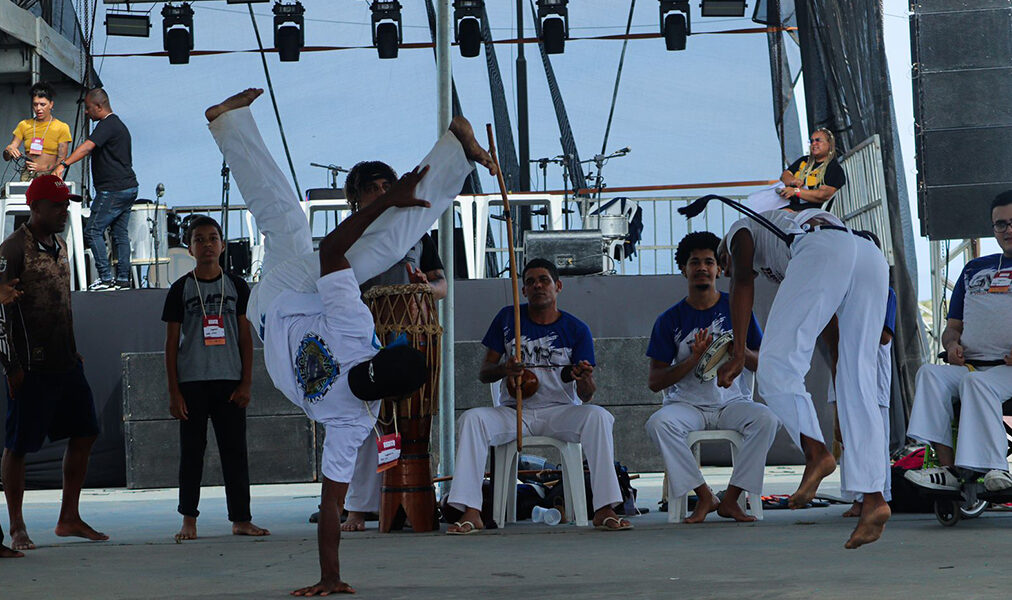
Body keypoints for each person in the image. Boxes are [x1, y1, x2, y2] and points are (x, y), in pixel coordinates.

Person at [204, 88, 492, 596]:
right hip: (290, 302)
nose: (362, 371)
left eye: (366, 374)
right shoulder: (354, 375)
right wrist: (329, 577)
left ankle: (452, 157)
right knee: (289, 221)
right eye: (370, 368)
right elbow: (332, 506)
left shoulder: (352, 382)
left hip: (276, 309)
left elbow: (332, 503)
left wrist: (389, 203)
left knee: (358, 237)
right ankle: (230, 124)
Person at [717, 206, 889, 549]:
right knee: (859, 382)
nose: (725, 270)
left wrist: (739, 350)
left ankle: (816, 454)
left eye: (722, 264)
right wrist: (841, 398)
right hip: (869, 255)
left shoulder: (739, 230)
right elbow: (831, 331)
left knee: (775, 364)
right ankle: (873, 500)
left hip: (823, 247)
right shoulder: (791, 259)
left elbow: (741, 281)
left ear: (724, 251)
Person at [444, 258, 632, 534]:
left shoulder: (577, 329)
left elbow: (587, 396)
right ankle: (471, 511)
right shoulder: (509, 319)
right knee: (473, 419)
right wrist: (504, 369)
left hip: (560, 411)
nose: (537, 286)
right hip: (514, 412)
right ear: (523, 290)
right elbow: (484, 373)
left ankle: (605, 508)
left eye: (543, 280)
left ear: (558, 286)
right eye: (530, 281)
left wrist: (585, 378)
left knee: (599, 417)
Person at [0, 175, 109, 552]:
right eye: (58, 205)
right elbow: (0, 311)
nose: (64, 211)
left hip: (66, 362)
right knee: (19, 446)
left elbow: (63, 302)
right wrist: (11, 365)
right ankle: (17, 527)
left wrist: (74, 347)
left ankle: (69, 517)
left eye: (66, 204)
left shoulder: (60, 244)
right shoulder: (12, 250)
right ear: (36, 208)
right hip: (30, 367)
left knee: (86, 432)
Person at [338, 160, 448, 532]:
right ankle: (357, 507)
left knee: (409, 418)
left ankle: (407, 498)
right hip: (363, 334)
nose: (383, 193)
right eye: (373, 188)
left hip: (413, 331)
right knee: (367, 417)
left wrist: (422, 288)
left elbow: (442, 287)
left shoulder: (415, 231)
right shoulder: (351, 234)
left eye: (388, 185)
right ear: (356, 197)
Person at [645, 232, 778, 523]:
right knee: (659, 424)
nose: (702, 267)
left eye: (709, 262)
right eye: (695, 262)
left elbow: (761, 364)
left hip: (731, 403)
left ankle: (732, 498)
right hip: (687, 406)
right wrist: (693, 360)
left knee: (766, 419)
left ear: (719, 269)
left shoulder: (738, 309)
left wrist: (736, 349)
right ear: (684, 269)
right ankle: (704, 494)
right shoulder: (670, 320)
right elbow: (655, 381)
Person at [162, 215, 269, 542]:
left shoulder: (236, 285)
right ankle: (188, 520)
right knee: (192, 452)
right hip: (192, 382)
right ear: (190, 247)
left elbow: (246, 338)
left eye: (212, 238)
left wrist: (246, 382)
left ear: (222, 245)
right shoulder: (180, 288)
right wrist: (174, 392)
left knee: (234, 451)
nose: (206, 245)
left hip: (229, 381)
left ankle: (241, 519)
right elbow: (171, 344)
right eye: (199, 239)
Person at [905, 190, 1012, 494]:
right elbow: (953, 328)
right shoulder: (975, 269)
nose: (1007, 230)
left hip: (1006, 371)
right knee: (930, 373)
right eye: (1000, 224)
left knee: (976, 385)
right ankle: (949, 468)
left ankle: (996, 469)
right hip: (974, 365)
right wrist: (952, 345)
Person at [55, 88, 138, 292]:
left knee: (92, 231)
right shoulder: (117, 125)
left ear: (99, 106)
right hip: (128, 187)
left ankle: (106, 278)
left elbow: (87, 147)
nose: (86, 112)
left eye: (88, 107)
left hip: (114, 190)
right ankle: (122, 280)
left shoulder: (108, 124)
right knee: (119, 234)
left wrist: (63, 165)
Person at [833, 287, 897, 517]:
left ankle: (878, 497)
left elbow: (884, 336)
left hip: (873, 377)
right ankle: (857, 498)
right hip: (844, 370)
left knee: (873, 440)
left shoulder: (885, 293)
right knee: (847, 439)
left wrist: (856, 318)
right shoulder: (838, 289)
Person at [3, 82, 73, 181]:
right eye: (35, 104)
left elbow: (61, 160)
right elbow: (7, 155)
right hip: (28, 175)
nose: (38, 108)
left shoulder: (61, 127)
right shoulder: (24, 125)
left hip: (50, 174)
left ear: (51, 104)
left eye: (43, 104)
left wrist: (43, 168)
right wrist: (9, 150)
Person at [777, 128, 846, 210]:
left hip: (813, 213)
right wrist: (793, 180)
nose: (814, 143)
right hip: (790, 207)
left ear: (829, 144)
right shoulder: (804, 160)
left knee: (783, 215)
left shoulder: (833, 168)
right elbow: (785, 175)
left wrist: (796, 191)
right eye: (812, 141)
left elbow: (824, 195)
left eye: (818, 140)